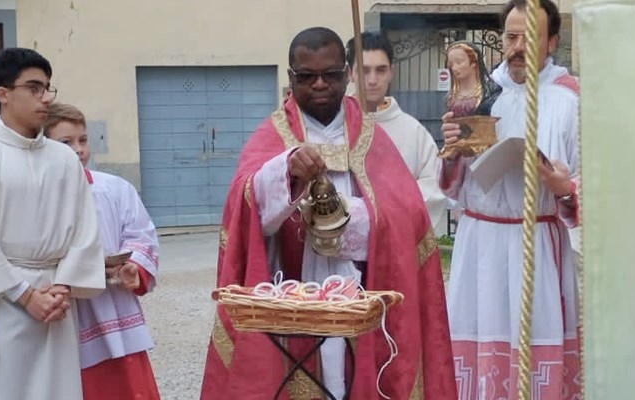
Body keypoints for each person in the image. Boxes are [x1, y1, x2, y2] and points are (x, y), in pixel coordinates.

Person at [201, 27, 455, 399]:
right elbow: (244, 203)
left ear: (346, 74)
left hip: (360, 286)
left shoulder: (370, 136)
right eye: (307, 76)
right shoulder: (273, 135)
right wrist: (285, 173)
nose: (319, 84)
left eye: (330, 74)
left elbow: (407, 215)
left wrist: (349, 220)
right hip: (293, 291)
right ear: (291, 78)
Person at [439, 0, 581, 398]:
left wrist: (563, 188)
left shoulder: (570, 100)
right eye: (511, 36)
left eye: (529, 37)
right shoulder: (480, 92)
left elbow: (590, 183)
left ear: (552, 41)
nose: (517, 47)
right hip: (480, 245)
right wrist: (453, 151)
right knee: (481, 359)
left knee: (534, 361)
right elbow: (450, 188)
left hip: (537, 246)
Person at [0, 48, 105, 400]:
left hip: (56, 301)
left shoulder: (64, 158)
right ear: (3, 94)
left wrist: (63, 286)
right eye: (34, 88)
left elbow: (85, 230)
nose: (45, 98)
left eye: (48, 88)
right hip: (4, 303)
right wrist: (26, 296)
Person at [44, 103, 161, 400]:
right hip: (69, 307)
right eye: (66, 143)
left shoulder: (115, 189)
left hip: (114, 305)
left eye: (83, 140)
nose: (78, 149)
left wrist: (134, 268)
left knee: (125, 384)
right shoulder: (39, 195)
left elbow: (141, 233)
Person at [346, 30, 448, 233]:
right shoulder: (335, 126)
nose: (372, 80)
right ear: (350, 74)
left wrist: (388, 209)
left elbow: (433, 188)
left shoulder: (413, 132)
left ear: (391, 72)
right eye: (364, 70)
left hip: (395, 244)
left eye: (381, 70)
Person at [444, 41, 501, 118]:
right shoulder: (451, 95)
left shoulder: (491, 90)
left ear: (474, 62)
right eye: (451, 64)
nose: (454, 68)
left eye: (459, 62)